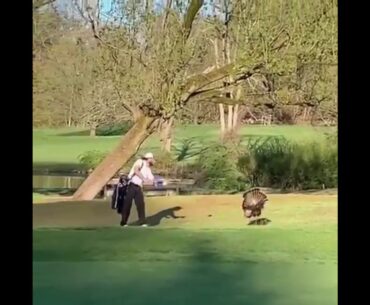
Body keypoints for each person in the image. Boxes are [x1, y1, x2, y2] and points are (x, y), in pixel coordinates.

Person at [120, 152, 155, 227]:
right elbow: (136, 170)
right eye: (152, 159)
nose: (153, 160)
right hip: (131, 185)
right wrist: (144, 179)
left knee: (140, 204)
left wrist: (148, 181)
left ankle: (142, 222)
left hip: (139, 187)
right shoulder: (140, 162)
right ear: (148, 159)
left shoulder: (148, 169)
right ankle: (123, 222)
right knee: (127, 204)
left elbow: (151, 180)